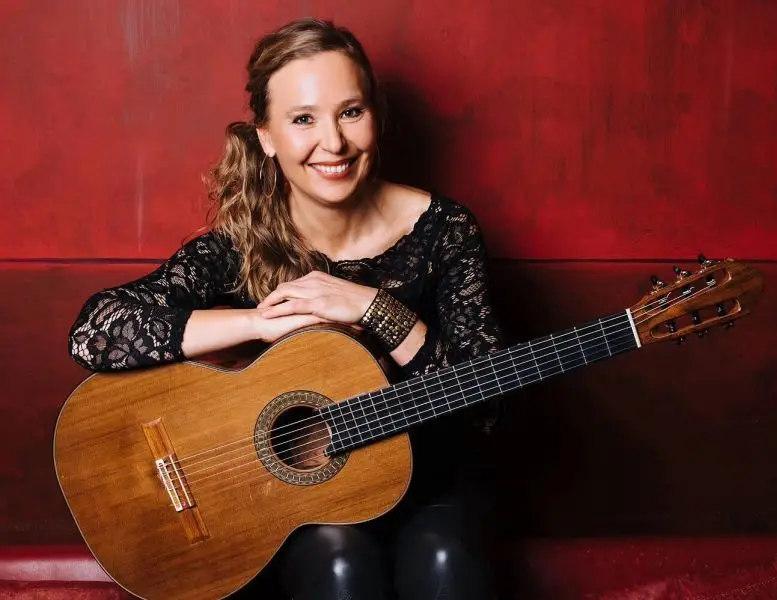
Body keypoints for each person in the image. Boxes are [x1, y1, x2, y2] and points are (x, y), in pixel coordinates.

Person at [68, 17, 504, 600]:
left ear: (375, 115)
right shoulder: (241, 242)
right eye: (303, 119)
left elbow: (484, 405)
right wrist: (258, 322)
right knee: (339, 564)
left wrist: (377, 309)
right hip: (300, 496)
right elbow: (95, 331)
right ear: (267, 137)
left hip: (433, 482)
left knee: (443, 558)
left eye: (351, 112)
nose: (334, 143)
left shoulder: (444, 230)